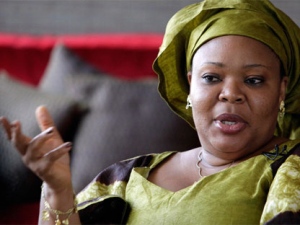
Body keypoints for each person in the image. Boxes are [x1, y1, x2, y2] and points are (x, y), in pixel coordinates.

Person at [1, 0, 300, 224]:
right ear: (189, 87)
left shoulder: (289, 169)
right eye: (211, 77)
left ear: (281, 91)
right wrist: (57, 187)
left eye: (254, 80)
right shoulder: (128, 175)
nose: (231, 93)